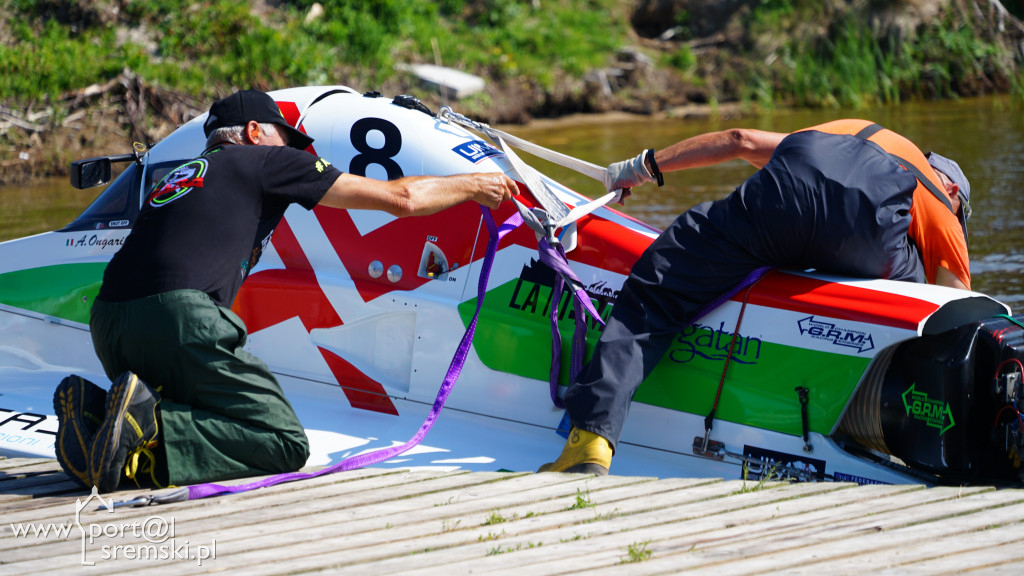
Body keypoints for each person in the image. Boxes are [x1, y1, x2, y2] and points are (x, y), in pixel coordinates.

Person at [53, 89, 517, 493]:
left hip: (109, 323)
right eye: (285, 137)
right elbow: (401, 198)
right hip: (176, 318)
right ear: (255, 131)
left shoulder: (180, 177)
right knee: (281, 439)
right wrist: (475, 185)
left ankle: (98, 415)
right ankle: (148, 431)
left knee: (204, 405)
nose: (293, 150)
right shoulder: (264, 160)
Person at [539, 119, 972, 475]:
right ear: (952, 191)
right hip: (870, 238)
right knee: (917, 288)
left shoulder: (842, 133)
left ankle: (590, 440)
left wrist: (643, 166)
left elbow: (737, 140)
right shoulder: (942, 204)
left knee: (657, 294)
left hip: (783, 198)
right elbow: (954, 314)